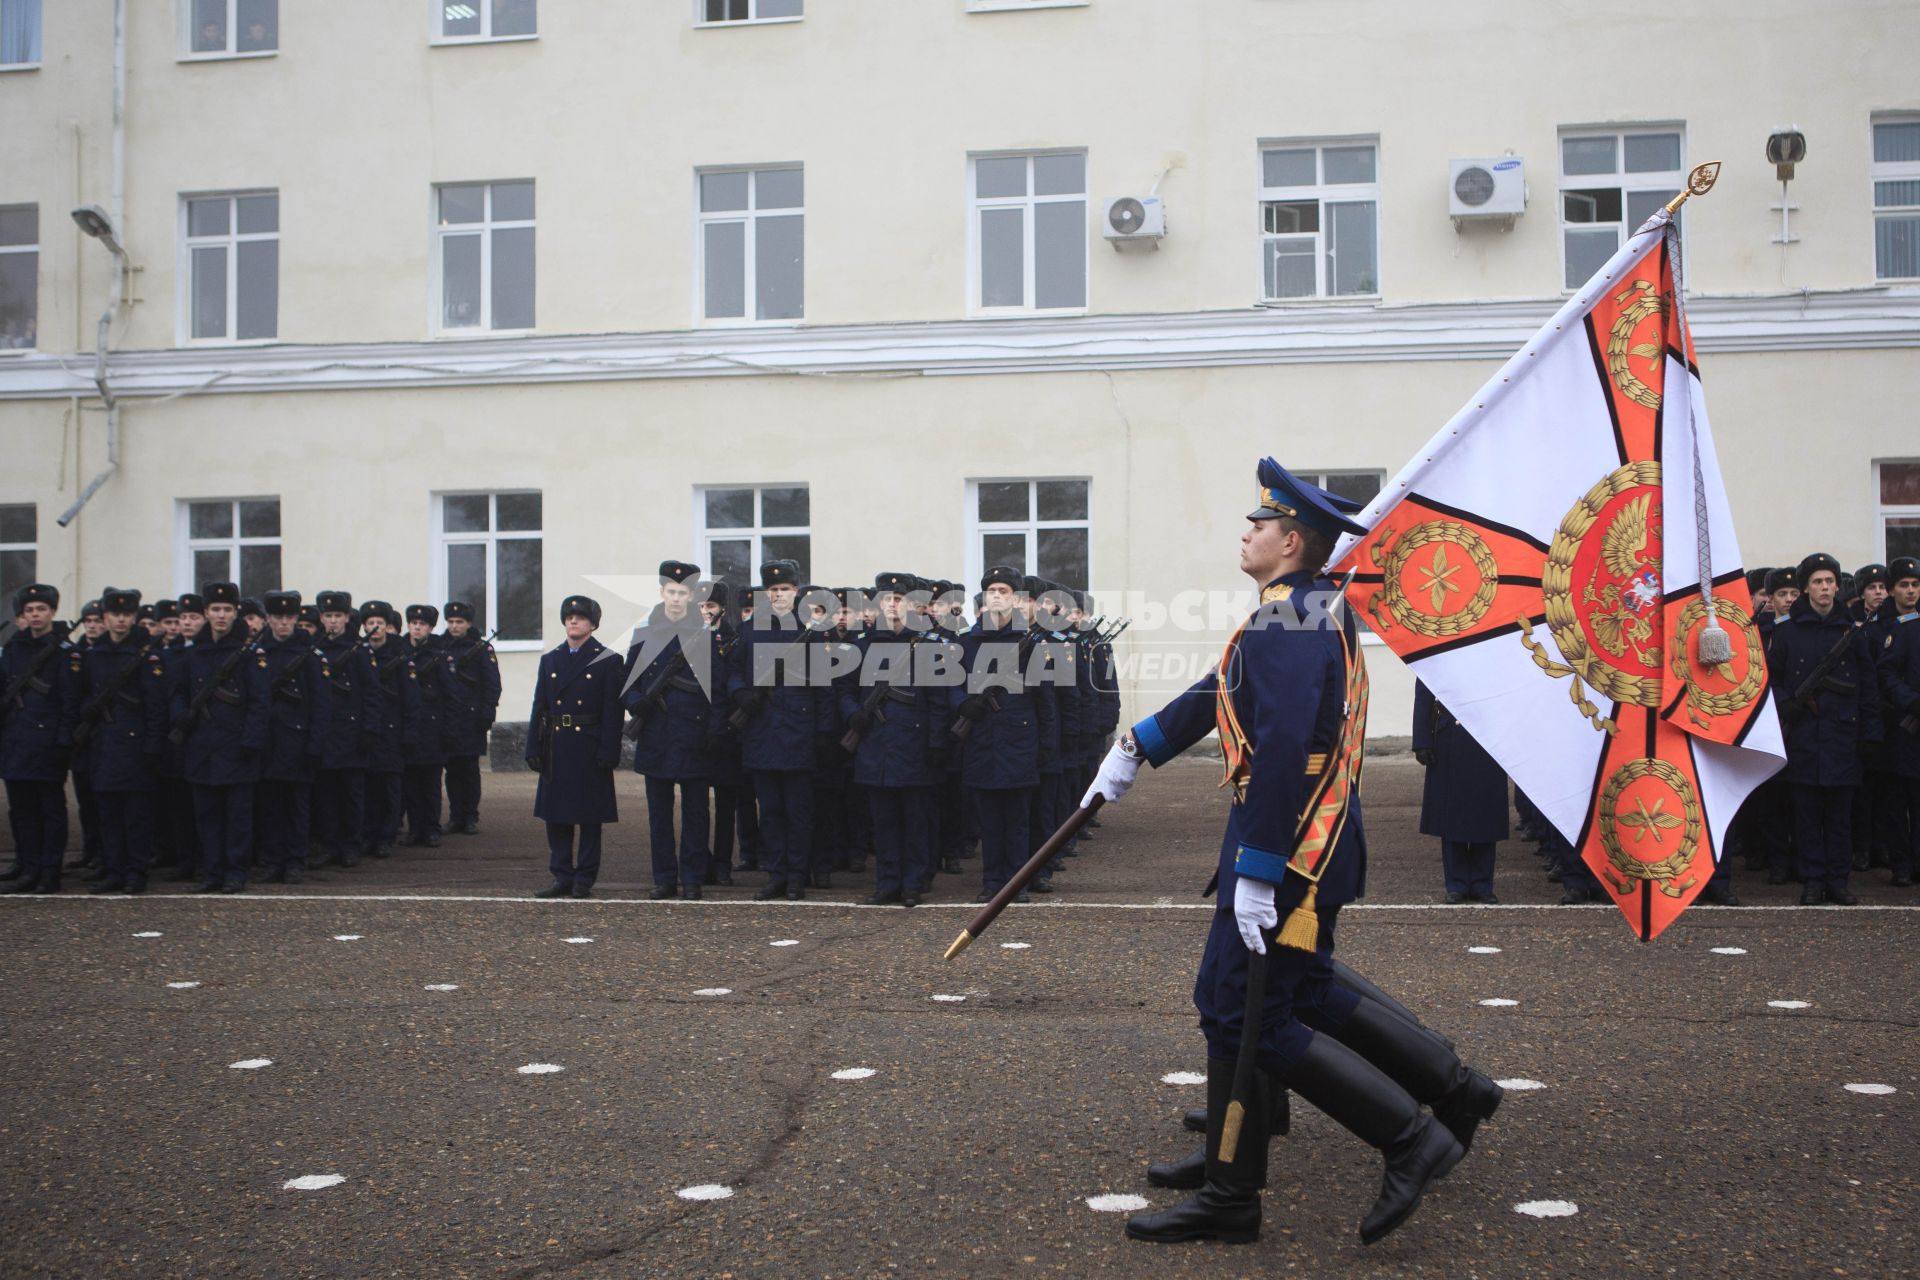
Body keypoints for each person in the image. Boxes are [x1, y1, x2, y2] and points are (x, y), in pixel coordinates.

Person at [1089, 459, 1467, 1248]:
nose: (1245, 532)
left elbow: (1287, 743)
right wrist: (1140, 744)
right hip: (1299, 838)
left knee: (1245, 1010)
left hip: (1291, 845)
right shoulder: (1295, 609)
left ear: (1291, 540)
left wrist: (1259, 872)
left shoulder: (1290, 617)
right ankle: (1234, 1176)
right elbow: (1223, 688)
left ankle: (1408, 1136)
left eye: (1258, 525)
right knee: (1260, 1001)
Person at [1768, 553, 1879, 905]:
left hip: (1842, 737)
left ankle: (1838, 882)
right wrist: (1786, 702)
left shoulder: (1851, 631)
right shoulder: (1787, 633)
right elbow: (1771, 679)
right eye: (1818, 582)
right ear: (1805, 589)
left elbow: (1867, 685)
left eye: (1830, 581)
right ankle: (1813, 881)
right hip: (1803, 736)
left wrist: (1870, 733)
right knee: (1806, 816)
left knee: (1839, 819)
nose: (1825, 588)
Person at [950, 566, 1053, 904]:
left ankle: (1016, 883)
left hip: (1018, 739)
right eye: (992, 590)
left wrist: (1046, 746)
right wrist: (964, 705)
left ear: (1016, 599)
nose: (997, 596)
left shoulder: (1033, 644)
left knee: (1018, 821)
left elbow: (1045, 698)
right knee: (990, 821)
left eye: (1004, 591)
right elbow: (951, 683)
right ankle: (992, 880)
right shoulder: (968, 642)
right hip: (981, 739)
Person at [728, 561, 830, 902]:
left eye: (784, 589)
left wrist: (823, 733)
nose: (778, 595)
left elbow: (824, 688)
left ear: (796, 592)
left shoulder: (812, 632)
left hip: (799, 732)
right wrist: (741, 693)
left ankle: (797, 877)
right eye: (772, 590)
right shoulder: (751, 629)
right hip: (762, 731)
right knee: (769, 811)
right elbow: (733, 671)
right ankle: (776, 874)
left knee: (798, 812)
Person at [845, 571, 947, 907]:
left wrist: (935, 743)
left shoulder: (926, 647)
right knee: (884, 822)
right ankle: (887, 883)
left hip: (913, 746)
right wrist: (853, 713)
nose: (891, 606)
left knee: (915, 821)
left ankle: (912, 884)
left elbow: (938, 701)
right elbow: (842, 691)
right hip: (875, 745)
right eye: (885, 600)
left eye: (898, 599)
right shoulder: (860, 647)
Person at [624, 561, 722, 900]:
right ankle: (664, 878)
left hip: (694, 736)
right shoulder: (644, 634)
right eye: (671, 591)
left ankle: (693, 877)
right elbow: (629, 684)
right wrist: (638, 705)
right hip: (656, 734)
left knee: (696, 813)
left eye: (683, 592)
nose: (676, 598)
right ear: (662, 592)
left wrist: (713, 731)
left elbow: (718, 689)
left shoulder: (705, 636)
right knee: (659, 815)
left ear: (692, 595)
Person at [68, 587, 167, 894]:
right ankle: (114, 869)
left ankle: (135, 872)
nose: (120, 621)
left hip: (135, 747)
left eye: (126, 615)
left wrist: (152, 746)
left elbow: (155, 707)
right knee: (108, 813)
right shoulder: (94, 656)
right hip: (103, 746)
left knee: (136, 815)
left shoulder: (147, 656)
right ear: (106, 618)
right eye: (115, 615)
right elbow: (81, 699)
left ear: (134, 617)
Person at [175, 582, 267, 894]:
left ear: (236, 612)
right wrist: (181, 718)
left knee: (238, 817)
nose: (221, 616)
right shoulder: (194, 654)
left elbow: (259, 702)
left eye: (227, 610)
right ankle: (212, 871)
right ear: (205, 613)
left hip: (237, 746)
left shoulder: (248, 653)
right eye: (215, 609)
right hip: (202, 746)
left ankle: (235, 872)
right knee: (207, 815)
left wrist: (251, 741)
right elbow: (178, 693)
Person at [528, 595, 624, 899]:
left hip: (588, 743)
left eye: (581, 617)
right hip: (557, 744)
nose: (573, 621)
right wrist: (534, 745)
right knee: (556, 815)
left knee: (589, 816)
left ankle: (584, 877)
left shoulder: (608, 660)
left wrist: (609, 749)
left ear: (592, 624)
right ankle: (561, 875)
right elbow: (539, 706)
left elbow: (613, 711)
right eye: (569, 616)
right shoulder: (551, 660)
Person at [1, 585, 73, 894]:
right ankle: (28, 868)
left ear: (52, 612)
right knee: (22, 811)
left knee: (50, 811)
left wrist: (62, 741)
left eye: (41, 609)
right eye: (29, 610)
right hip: (16, 742)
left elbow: (69, 703)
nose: (35, 615)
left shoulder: (64, 651)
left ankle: (49, 871)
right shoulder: (14, 649)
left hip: (47, 744)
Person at [255, 591, 328, 884]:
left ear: (296, 619)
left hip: (298, 744)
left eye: (288, 618)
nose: (282, 623)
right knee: (270, 807)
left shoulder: (309, 655)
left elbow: (321, 704)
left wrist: (314, 744)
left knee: (297, 808)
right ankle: (273, 860)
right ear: (269, 619)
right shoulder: (258, 653)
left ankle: (295, 861)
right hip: (268, 743)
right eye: (277, 617)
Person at [1411, 679, 1507, 903]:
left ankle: (1483, 882)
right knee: (1452, 814)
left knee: (1486, 811)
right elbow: (1425, 687)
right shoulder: (1440, 647)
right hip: (1449, 736)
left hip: (1488, 735)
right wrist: (1422, 740)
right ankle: (1456, 883)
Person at [314, 591, 371, 868]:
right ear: (321, 618)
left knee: (351, 795)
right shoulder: (315, 650)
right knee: (326, 795)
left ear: (347, 618)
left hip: (351, 733)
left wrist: (368, 731)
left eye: (338, 616)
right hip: (324, 733)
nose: (333, 621)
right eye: (328, 616)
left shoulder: (359, 651)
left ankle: (350, 845)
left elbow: (372, 694)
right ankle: (329, 844)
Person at [1872, 556, 1919, 887]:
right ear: (1892, 590)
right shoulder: (1890, 627)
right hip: (1899, 726)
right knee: (1896, 801)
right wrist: (1910, 702)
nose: (1911, 591)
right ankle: (1902, 863)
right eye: (1904, 585)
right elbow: (1884, 673)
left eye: (1916, 585)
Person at [441, 601, 500, 835]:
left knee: (469, 770)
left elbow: (492, 685)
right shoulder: (441, 647)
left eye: (460, 622)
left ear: (469, 624)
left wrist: (487, 714)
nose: (455, 626)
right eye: (451, 622)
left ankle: (470, 816)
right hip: (448, 718)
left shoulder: (481, 649)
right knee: (451, 770)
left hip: (471, 718)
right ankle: (456, 816)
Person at [359, 601, 408, 859]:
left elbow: (411, 698)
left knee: (390, 787)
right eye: (370, 623)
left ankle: (387, 836)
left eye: (379, 623)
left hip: (392, 729)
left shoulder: (399, 655)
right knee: (369, 788)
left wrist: (409, 732)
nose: (374, 628)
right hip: (368, 730)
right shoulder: (360, 654)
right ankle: (368, 834)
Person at [400, 604, 451, 848]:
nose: (417, 627)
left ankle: (431, 828)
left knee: (430, 783)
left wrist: (448, 729)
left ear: (430, 628)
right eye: (413, 623)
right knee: (410, 783)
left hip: (432, 726)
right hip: (408, 726)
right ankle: (415, 828)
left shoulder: (439, 655)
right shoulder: (400, 652)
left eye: (422, 624)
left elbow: (450, 693)